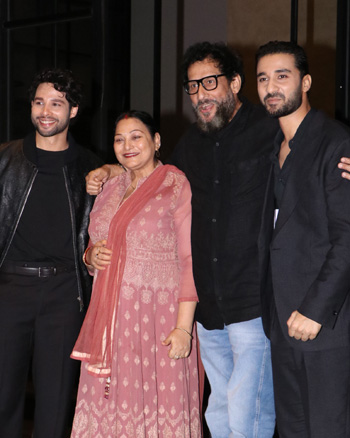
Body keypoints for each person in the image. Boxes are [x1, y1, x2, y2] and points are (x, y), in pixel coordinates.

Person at [84, 42, 350, 438]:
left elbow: (318, 147)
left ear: (236, 83)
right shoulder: (190, 145)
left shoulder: (269, 128)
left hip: (255, 307)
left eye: (209, 82)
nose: (200, 94)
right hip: (208, 312)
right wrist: (112, 168)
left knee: (249, 421)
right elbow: (154, 178)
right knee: (220, 418)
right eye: (192, 87)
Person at [70, 110, 201, 437]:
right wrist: (90, 255)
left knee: (158, 409)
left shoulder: (175, 184)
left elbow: (189, 258)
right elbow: (94, 244)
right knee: (108, 408)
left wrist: (184, 328)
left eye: (136, 136)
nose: (127, 145)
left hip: (159, 319)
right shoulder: (109, 185)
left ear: (156, 141)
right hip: (110, 320)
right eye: (119, 139)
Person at [0, 68, 103, 438]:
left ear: (72, 111)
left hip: (64, 294)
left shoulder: (93, 168)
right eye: (39, 102)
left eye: (56, 103)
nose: (46, 111)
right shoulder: (4, 159)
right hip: (9, 288)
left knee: (57, 402)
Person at [256, 40, 350, 438]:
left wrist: (314, 309)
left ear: (306, 82)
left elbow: (347, 237)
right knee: (293, 430)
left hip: (324, 322)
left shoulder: (336, 143)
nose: (271, 87)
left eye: (282, 76)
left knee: (327, 429)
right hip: (280, 320)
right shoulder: (271, 146)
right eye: (263, 78)